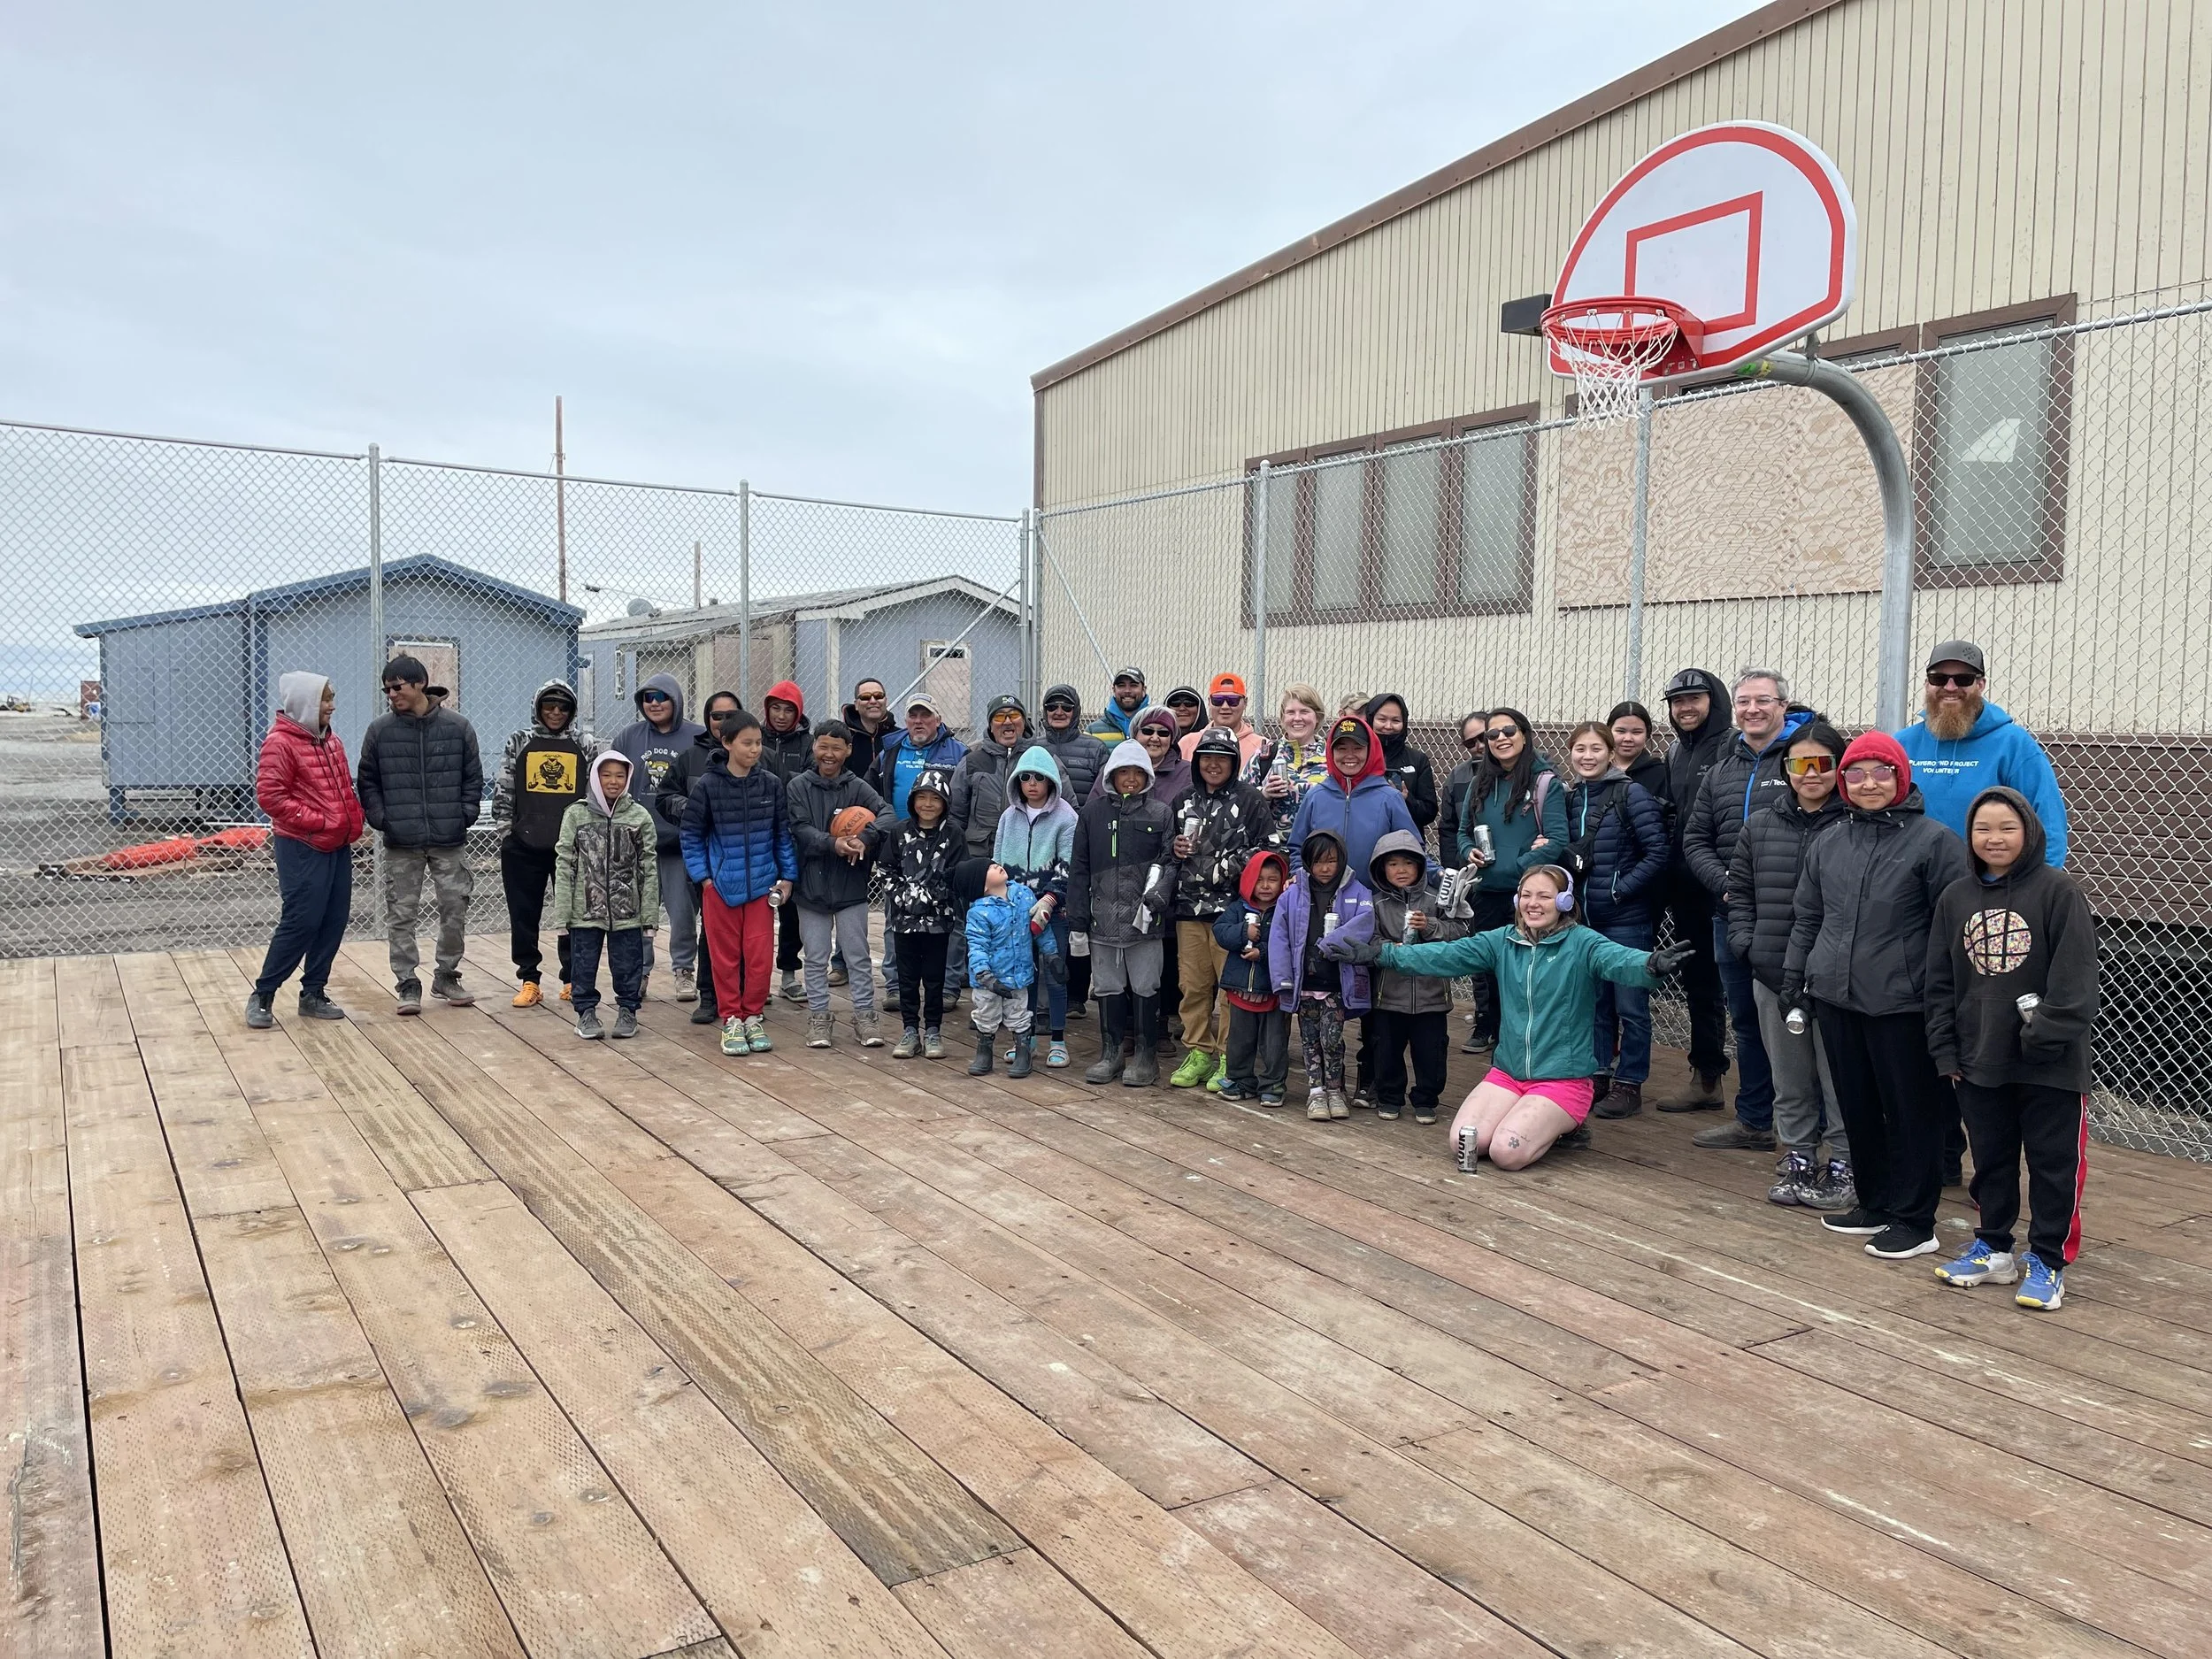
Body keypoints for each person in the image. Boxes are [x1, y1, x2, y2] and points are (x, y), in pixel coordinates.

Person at [1332, 866, 1692, 1170]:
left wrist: (1650, 965)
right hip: (1508, 1072)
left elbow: (1619, 960)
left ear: (1565, 902)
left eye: (1545, 896)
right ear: (1517, 900)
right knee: (1463, 1143)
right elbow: (1445, 955)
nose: (1534, 904)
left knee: (1507, 1153)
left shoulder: (1584, 944)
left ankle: (1569, 1123)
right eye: (1527, 895)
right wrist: (1384, 955)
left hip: (1562, 1078)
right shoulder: (1502, 941)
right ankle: (1528, 1114)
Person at [1782, 732, 1970, 1262]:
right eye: (1857, 773)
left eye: (1880, 772)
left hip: (1903, 1003)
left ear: (1901, 778)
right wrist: (1795, 981)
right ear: (1843, 781)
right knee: (1857, 1104)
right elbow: (1809, 918)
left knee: (1911, 1111)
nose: (1868, 783)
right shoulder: (1830, 840)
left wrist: (1945, 999)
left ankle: (1915, 1218)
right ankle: (1875, 1200)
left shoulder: (1935, 843)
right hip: (1837, 997)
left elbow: (1952, 929)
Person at [1926, 788, 2097, 1311]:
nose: (1994, 839)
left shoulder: (2059, 893)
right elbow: (1940, 982)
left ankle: (2048, 1259)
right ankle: (1994, 1246)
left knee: (2052, 1163)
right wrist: (1946, 1050)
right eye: (1982, 829)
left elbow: (2076, 988)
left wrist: (2040, 1037)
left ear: (2028, 832)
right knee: (1992, 1159)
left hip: (2050, 1066)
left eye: (2007, 828)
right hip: (1978, 1059)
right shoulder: (1955, 898)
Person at [1685, 670, 1819, 1149]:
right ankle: (1756, 1119)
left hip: (1794, 920)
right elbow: (1695, 838)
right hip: (1732, 915)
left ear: (1784, 705)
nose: (1753, 709)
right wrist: (1727, 886)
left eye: (1764, 700)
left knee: (1799, 1023)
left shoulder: (1806, 760)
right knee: (1746, 1020)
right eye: (1744, 702)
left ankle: (1808, 1127)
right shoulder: (1723, 769)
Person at [1725, 719, 1855, 1210]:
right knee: (1790, 1073)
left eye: (1823, 763)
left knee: (1837, 1074)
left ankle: (1844, 1160)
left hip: (1836, 978)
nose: (1812, 773)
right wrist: (1748, 944)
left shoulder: (1853, 825)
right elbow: (1739, 891)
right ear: (1787, 769)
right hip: (1774, 971)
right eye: (1801, 764)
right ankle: (1799, 1155)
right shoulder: (1761, 825)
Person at [356, 653, 483, 1014]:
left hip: (449, 837)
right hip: (401, 840)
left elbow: (473, 777)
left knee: (455, 907)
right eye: (387, 690)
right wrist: (382, 817)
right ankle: (407, 983)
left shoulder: (458, 727)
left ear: (420, 684)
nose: (392, 695)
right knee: (401, 912)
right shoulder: (380, 730)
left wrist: (465, 814)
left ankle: (447, 975)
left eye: (397, 687)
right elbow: (368, 780)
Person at [1559, 721, 1670, 1119]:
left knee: (1630, 1004)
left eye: (1595, 749)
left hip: (1625, 917)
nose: (1587, 757)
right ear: (1570, 753)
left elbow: (1657, 852)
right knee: (1595, 1004)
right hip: (1582, 920)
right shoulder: (1570, 798)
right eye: (1579, 750)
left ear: (1610, 752)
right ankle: (1599, 1074)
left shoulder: (1631, 792)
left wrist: (1619, 890)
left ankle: (1630, 1082)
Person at [248, 672, 365, 1028]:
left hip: (337, 844)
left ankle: (313, 992)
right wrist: (319, 821)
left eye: (331, 698)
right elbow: (270, 796)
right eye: (325, 700)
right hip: (301, 845)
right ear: (306, 704)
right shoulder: (280, 742)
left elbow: (343, 788)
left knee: (333, 919)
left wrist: (351, 819)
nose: (332, 706)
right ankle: (263, 994)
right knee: (302, 919)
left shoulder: (332, 742)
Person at [680, 709, 797, 1057]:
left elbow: (782, 834)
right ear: (726, 742)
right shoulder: (708, 786)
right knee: (725, 957)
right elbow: (691, 835)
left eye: (759, 743)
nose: (755, 750)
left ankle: (753, 1016)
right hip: (720, 889)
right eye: (747, 743)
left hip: (762, 889)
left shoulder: (771, 785)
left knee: (760, 957)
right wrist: (704, 879)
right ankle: (731, 1018)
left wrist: (787, 877)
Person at [1455, 707, 1568, 1056]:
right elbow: (1462, 834)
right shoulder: (1479, 782)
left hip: (1526, 896)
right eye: (1492, 735)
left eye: (1509, 731)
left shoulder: (1546, 782)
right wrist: (1469, 851)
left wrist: (1517, 867)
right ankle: (1493, 1029)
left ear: (1524, 734)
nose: (1501, 739)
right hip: (1486, 892)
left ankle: (1524, 1040)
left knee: (1527, 973)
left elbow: (1557, 839)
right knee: (1489, 967)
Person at [1166, 726, 1274, 1092]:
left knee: (1231, 988)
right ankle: (1198, 1051)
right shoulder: (1182, 799)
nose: (1214, 765)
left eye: (1222, 758)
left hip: (1232, 911)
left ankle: (1231, 1055)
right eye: (1206, 758)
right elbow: (1164, 848)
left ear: (1234, 762)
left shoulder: (1250, 800)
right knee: (1193, 985)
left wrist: (1229, 866)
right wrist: (1175, 847)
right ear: (1197, 762)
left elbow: (1270, 849)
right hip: (1188, 909)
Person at [1897, 641, 2070, 867]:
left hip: (1986, 888)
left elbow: (2049, 824)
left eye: (1963, 679)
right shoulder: (1903, 744)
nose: (1950, 687)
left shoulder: (2013, 745)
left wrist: (2040, 889)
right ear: (1927, 684)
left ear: (1981, 684)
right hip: (1912, 885)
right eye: (1939, 678)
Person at [1071, 741, 1178, 1088]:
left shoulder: (1161, 813)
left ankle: (1146, 1057)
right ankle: (1111, 1052)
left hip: (1144, 921)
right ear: (1111, 775)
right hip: (1102, 919)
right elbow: (1079, 867)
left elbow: (1168, 862)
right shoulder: (1091, 814)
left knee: (1147, 986)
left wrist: (1156, 900)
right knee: (1107, 986)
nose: (1130, 779)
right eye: (1122, 773)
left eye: (1137, 772)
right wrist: (1077, 917)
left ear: (1147, 775)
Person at [490, 680, 595, 1009]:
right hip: (523, 843)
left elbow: (595, 792)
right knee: (524, 914)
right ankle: (529, 979)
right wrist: (506, 830)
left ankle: (572, 978)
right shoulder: (520, 740)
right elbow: (504, 786)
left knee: (572, 915)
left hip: (571, 846)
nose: (555, 712)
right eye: (549, 705)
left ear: (572, 711)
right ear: (537, 707)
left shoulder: (584, 742)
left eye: (563, 706)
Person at [785, 719, 887, 1048]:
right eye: (823, 746)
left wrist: (864, 838)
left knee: (857, 955)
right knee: (815, 955)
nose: (829, 754)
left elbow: (887, 815)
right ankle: (818, 1016)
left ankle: (864, 1015)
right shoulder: (798, 786)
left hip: (850, 886)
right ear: (814, 747)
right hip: (811, 886)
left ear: (848, 751)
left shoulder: (857, 786)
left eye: (836, 747)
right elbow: (799, 828)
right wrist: (834, 844)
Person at [1658, 668, 1733, 1109]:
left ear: (1714, 701)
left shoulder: (1730, 745)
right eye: (1677, 701)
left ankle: (1783, 1096)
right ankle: (1707, 1079)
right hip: (1684, 884)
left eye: (1695, 699)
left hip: (1722, 884)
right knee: (1699, 981)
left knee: (1747, 988)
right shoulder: (1674, 752)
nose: (1685, 708)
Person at [552, 752, 659, 1041]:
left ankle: (628, 1011)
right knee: (583, 964)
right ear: (595, 777)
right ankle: (586, 1013)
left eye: (620, 775)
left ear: (628, 778)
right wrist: (562, 913)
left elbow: (648, 867)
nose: (613, 781)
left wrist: (649, 915)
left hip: (628, 912)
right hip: (584, 911)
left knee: (628, 963)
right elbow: (564, 864)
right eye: (606, 774)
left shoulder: (639, 817)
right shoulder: (576, 814)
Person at [1362, 828, 1466, 1125]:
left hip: (1431, 996)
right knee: (1387, 1050)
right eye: (1392, 864)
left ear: (1420, 866)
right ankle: (1389, 1097)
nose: (1401, 870)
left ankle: (1426, 1099)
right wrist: (1387, 948)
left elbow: (1460, 933)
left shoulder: (1436, 899)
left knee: (1431, 1053)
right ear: (1381, 868)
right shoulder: (1375, 903)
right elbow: (1367, 940)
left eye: (1408, 863)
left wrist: (1431, 926)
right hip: (1388, 995)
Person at [611, 673, 703, 1002]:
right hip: (638, 842)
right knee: (639, 911)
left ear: (676, 700)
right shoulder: (628, 738)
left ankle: (683, 970)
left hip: (681, 842)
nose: (654, 703)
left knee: (682, 911)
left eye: (662, 696)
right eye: (648, 697)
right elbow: (613, 784)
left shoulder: (698, 736)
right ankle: (640, 971)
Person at [1269, 828, 1371, 1120]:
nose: (1325, 868)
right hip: (1304, 983)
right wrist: (1282, 978)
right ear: (1307, 863)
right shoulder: (1292, 895)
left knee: (1332, 1038)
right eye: (1317, 862)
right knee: (1309, 1039)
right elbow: (1279, 938)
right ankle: (1315, 1092)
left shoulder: (1357, 891)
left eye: (1331, 861)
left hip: (1337, 983)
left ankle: (1335, 1089)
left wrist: (1330, 943)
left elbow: (1364, 924)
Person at [657, 692, 744, 1025]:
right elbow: (666, 797)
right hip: (707, 861)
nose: (722, 723)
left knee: (746, 935)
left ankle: (746, 997)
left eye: (730, 716)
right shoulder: (690, 757)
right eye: (716, 716)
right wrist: (692, 811)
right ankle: (710, 998)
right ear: (707, 719)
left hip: (746, 860)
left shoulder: (756, 756)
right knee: (712, 930)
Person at [994, 746, 1079, 1069]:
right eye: (1025, 777)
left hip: (1054, 910)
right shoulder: (1008, 817)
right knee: (1022, 975)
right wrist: (1004, 901)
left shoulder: (1067, 817)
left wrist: (1049, 899)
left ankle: (1058, 1039)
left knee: (1055, 974)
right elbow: (998, 863)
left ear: (1051, 782)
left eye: (1039, 778)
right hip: (1016, 910)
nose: (1032, 783)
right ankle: (1024, 1038)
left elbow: (1069, 865)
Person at [880, 765, 963, 1060]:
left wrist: (931, 898)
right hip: (904, 921)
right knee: (907, 977)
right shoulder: (899, 833)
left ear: (945, 803)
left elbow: (956, 874)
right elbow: (886, 869)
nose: (928, 804)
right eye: (922, 797)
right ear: (912, 801)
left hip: (939, 922)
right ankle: (910, 1029)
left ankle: (933, 1030)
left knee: (934, 977)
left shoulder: (954, 835)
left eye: (935, 798)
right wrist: (905, 897)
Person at [1290, 713, 1420, 878]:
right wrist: (1298, 875)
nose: (1349, 755)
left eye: (1358, 748)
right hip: (1323, 899)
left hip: (1375, 899)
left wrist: (1438, 874)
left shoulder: (1389, 798)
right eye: (1341, 748)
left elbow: (1413, 847)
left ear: (1371, 750)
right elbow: (1297, 847)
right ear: (1331, 752)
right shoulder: (1315, 797)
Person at [1213, 850, 1291, 1105]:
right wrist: (1243, 931)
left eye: (1272, 880)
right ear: (1248, 881)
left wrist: (1263, 952)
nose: (1266, 886)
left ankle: (1273, 1084)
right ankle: (1239, 1080)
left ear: (1283, 882)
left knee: (1274, 1043)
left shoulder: (1286, 909)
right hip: (1241, 990)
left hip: (1274, 989)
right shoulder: (1238, 908)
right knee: (1239, 1041)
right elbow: (1220, 932)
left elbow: (1292, 943)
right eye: (1259, 879)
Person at [757, 679, 814, 1003]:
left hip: (793, 835)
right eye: (775, 708)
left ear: (798, 712)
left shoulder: (807, 743)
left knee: (791, 911)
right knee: (757, 912)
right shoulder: (755, 737)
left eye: (788, 709)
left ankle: (789, 974)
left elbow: (807, 782)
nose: (780, 715)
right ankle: (757, 978)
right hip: (760, 833)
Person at [963, 859, 1037, 1077]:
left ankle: (1024, 1052)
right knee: (986, 1014)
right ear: (982, 887)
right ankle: (984, 1052)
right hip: (988, 981)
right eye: (988, 868)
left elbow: (1039, 926)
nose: (996, 866)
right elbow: (976, 945)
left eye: (994, 863)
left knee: (1019, 1013)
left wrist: (1051, 953)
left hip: (1017, 974)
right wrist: (985, 976)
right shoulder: (978, 912)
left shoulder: (1024, 896)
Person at [1245, 684, 1332, 840]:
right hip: (1274, 853)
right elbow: (1239, 799)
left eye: (1305, 711)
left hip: (1319, 853)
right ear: (1283, 718)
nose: (1297, 718)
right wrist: (1265, 794)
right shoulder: (1265, 756)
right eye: (1291, 712)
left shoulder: (1332, 758)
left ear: (1317, 717)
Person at [1362, 693, 1439, 837]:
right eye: (1382, 719)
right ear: (1371, 719)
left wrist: (1404, 800)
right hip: (1365, 837)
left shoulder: (1418, 759)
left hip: (1405, 843)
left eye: (1396, 720)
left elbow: (1429, 812)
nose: (1388, 726)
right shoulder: (1359, 756)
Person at [1179, 672, 1268, 769]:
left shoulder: (1262, 746)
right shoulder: (1187, 743)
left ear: (1245, 703)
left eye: (1233, 701)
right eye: (1218, 700)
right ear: (1209, 702)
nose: (1225, 707)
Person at [1440, 710, 1492, 872]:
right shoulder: (1457, 776)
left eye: (1484, 737)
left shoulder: (1528, 768)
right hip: (1470, 867)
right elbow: (1449, 828)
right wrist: (1453, 867)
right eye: (1471, 743)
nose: (1480, 746)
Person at [841, 678, 895, 784]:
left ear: (885, 701)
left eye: (878, 696)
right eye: (865, 697)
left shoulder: (899, 738)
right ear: (856, 704)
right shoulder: (843, 738)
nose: (873, 701)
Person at [1090, 666, 1151, 743]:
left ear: (1144, 689)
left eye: (1133, 685)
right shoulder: (1093, 731)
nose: (1127, 691)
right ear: (1114, 690)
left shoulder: (1158, 727)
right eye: (1121, 685)